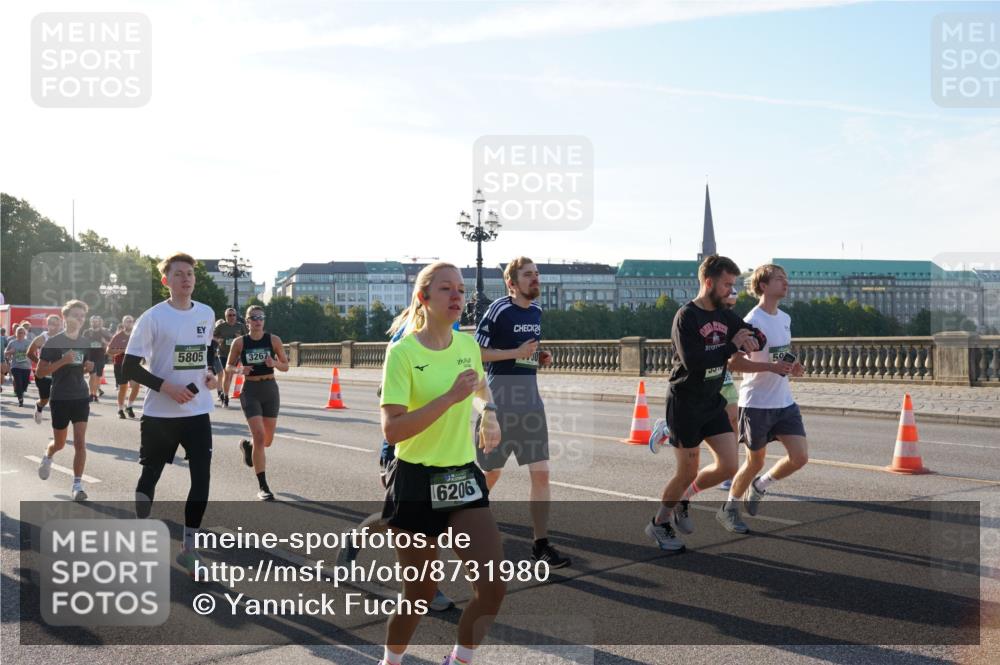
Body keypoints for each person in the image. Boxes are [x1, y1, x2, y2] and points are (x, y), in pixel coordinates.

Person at [377, 261, 505, 665]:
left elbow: (481, 389)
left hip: (462, 475)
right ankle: (391, 661)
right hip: (415, 480)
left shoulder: (467, 347)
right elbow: (393, 430)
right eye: (447, 289)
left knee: (493, 586)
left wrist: (490, 413)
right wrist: (449, 398)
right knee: (418, 595)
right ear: (424, 298)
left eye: (461, 290)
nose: (457, 297)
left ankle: (460, 659)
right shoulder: (403, 352)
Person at [645, 255, 765, 551]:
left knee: (729, 465)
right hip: (685, 403)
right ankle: (659, 523)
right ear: (709, 282)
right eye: (726, 284)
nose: (731, 291)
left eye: (733, 284)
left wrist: (753, 339)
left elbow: (756, 335)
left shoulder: (726, 315)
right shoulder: (686, 316)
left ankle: (683, 500)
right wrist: (733, 345)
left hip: (712, 401)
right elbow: (694, 361)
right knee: (686, 472)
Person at [123, 252, 219, 577]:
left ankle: (188, 550)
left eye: (189, 273)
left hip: (197, 411)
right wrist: (167, 388)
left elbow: (209, 351)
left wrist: (211, 373)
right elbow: (128, 367)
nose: (186, 278)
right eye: (178, 274)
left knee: (202, 477)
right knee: (150, 477)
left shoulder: (206, 313)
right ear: (166, 281)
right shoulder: (152, 318)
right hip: (160, 415)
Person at [474, 257, 569, 568]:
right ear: (511, 283)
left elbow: (524, 352)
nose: (535, 279)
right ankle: (465, 522)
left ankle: (540, 544)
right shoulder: (499, 309)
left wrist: (538, 356)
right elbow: (476, 353)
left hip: (531, 406)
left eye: (537, 274)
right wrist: (516, 353)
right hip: (500, 407)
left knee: (541, 474)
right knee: (491, 474)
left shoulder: (538, 312)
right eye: (528, 275)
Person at [723, 264, 808, 532]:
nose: (786, 283)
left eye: (786, 278)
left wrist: (792, 366)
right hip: (757, 403)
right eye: (779, 279)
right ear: (762, 286)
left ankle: (760, 486)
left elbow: (779, 354)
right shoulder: (751, 322)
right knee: (754, 462)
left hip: (784, 402)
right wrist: (769, 368)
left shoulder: (785, 318)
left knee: (799, 458)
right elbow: (733, 362)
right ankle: (729, 510)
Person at [227, 305, 289, 501]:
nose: (257, 320)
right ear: (247, 321)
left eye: (261, 317)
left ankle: (248, 446)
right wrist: (239, 370)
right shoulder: (239, 343)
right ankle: (263, 486)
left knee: (266, 441)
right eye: (253, 317)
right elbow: (228, 366)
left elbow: (286, 366)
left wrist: (275, 364)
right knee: (260, 436)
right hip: (251, 391)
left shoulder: (274, 340)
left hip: (270, 389)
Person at [36, 300, 95, 501]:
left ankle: (77, 485)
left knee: (80, 442)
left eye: (82, 316)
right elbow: (40, 372)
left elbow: (84, 368)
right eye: (75, 315)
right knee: (60, 443)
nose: (79, 319)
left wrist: (88, 366)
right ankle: (48, 455)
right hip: (60, 397)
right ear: (65, 317)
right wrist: (63, 360)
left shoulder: (85, 342)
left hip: (80, 396)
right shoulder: (53, 342)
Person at [27, 315, 63, 424]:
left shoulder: (64, 338)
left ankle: (59, 424)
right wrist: (41, 364)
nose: (54, 326)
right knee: (45, 399)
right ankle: (39, 405)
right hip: (43, 374)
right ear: (47, 325)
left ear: (60, 325)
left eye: (57, 324)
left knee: (58, 399)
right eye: (52, 323)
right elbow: (29, 353)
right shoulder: (42, 338)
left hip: (59, 373)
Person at [108, 315, 141, 419]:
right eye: (127, 321)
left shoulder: (136, 335)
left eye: (131, 321)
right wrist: (122, 350)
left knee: (136, 386)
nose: (129, 323)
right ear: (123, 324)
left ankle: (129, 406)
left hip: (133, 364)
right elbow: (109, 351)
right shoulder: (118, 336)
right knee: (123, 387)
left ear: (133, 323)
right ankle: (120, 409)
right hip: (120, 365)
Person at [214, 308, 246, 407]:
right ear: (225, 316)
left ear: (236, 316)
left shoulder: (240, 326)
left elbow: (247, 338)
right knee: (226, 373)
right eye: (229, 315)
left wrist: (240, 336)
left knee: (230, 375)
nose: (232, 317)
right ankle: (226, 397)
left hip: (235, 355)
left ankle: (224, 393)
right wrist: (218, 340)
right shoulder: (221, 326)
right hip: (223, 353)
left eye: (233, 315)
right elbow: (212, 336)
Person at [83, 315, 112, 402]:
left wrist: (105, 342)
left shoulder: (104, 332)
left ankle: (95, 394)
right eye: (93, 321)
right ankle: (91, 394)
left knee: (98, 377)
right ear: (90, 322)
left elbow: (110, 343)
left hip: (100, 356)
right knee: (92, 375)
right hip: (90, 356)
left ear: (99, 322)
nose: (94, 323)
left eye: (96, 321)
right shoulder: (86, 332)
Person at [4, 326, 33, 406]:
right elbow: (5, 353)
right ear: (16, 334)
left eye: (22, 333)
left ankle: (21, 391)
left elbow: (33, 353)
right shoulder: (12, 343)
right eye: (18, 333)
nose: (20, 334)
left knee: (24, 384)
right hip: (15, 366)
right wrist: (10, 352)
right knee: (18, 382)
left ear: (24, 334)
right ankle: (20, 399)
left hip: (26, 367)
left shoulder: (28, 342)